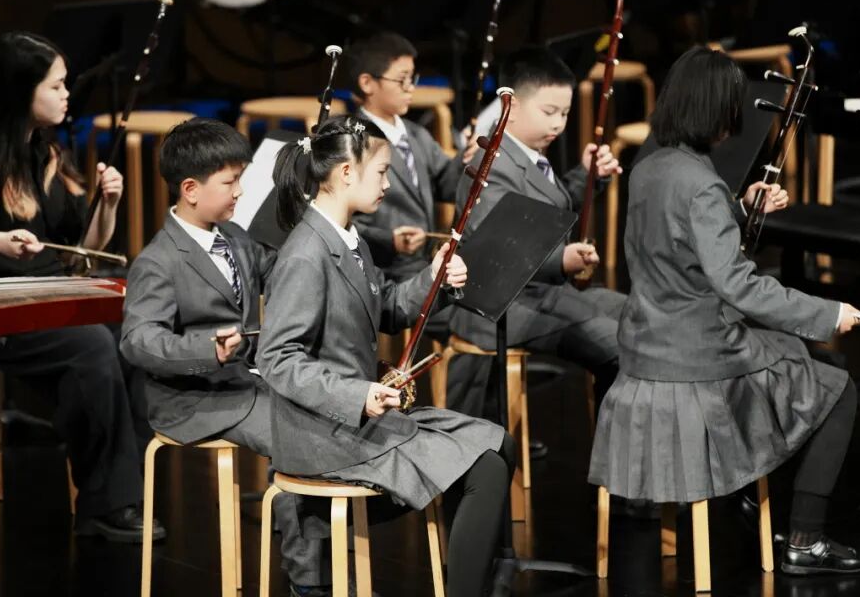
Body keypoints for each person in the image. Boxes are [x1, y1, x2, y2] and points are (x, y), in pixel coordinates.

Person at [588, 47, 860, 575]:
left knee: (806, 364)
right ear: (715, 111)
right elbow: (738, 285)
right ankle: (805, 539)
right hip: (698, 353)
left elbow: (675, 241)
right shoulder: (701, 183)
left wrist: (739, 208)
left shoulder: (649, 167)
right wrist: (827, 313)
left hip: (647, 340)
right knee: (837, 386)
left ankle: (751, 494)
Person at [257, 116, 515, 597]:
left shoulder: (347, 238)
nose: (388, 185)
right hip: (325, 431)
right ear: (346, 173)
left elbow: (387, 309)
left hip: (356, 420)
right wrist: (357, 394)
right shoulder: (305, 254)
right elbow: (277, 359)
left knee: (499, 444)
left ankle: (485, 579)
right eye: (381, 172)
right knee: (486, 467)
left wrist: (433, 278)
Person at [0, 31, 159, 543]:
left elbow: (82, 248)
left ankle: (132, 487)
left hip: (42, 294)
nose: (66, 94)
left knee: (132, 329)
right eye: (55, 85)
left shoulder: (43, 151)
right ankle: (105, 505)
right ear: (19, 91)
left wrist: (108, 204)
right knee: (90, 346)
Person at [120, 118, 324, 591]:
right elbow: (138, 339)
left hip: (241, 384)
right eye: (230, 182)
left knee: (321, 413)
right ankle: (310, 582)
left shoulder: (234, 237)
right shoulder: (158, 261)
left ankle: (319, 560)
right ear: (190, 190)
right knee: (297, 434)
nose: (240, 192)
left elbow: (280, 272)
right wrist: (204, 349)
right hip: (193, 399)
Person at [447, 47, 627, 418]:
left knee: (640, 318)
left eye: (565, 113)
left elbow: (543, 212)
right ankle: (616, 451)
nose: (558, 124)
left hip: (542, 294)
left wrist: (588, 176)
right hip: (502, 308)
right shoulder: (491, 165)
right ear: (510, 107)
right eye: (549, 112)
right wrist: (562, 260)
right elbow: (503, 249)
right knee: (619, 345)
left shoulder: (526, 154)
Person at [345, 32, 472, 286]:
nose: (410, 87)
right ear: (367, 83)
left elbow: (447, 186)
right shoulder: (352, 140)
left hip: (425, 262)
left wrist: (467, 158)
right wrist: (389, 241)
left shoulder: (416, 134)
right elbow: (343, 217)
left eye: (413, 78)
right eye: (402, 80)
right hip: (383, 270)